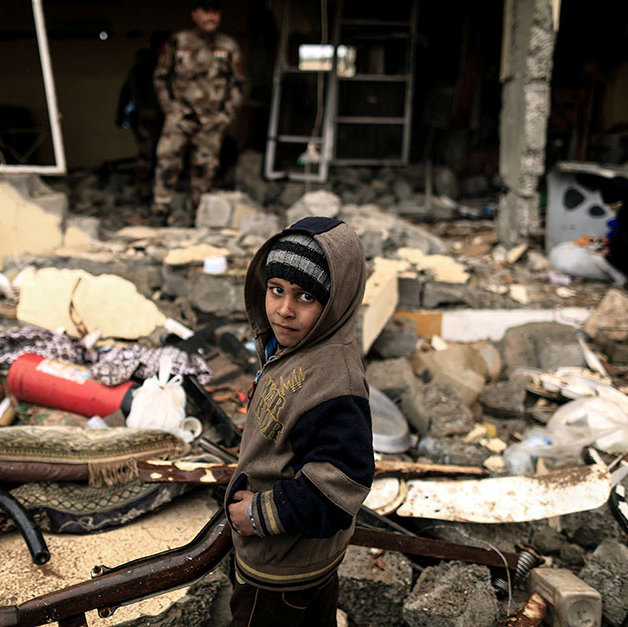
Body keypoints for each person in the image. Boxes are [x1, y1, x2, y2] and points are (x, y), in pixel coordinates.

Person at [225, 217, 374, 626]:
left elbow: (342, 485)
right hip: (295, 561)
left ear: (336, 302)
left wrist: (259, 514)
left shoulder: (332, 383)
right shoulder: (295, 349)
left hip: (282, 573)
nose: (285, 310)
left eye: (305, 297)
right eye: (276, 290)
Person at [152, 0, 245, 224]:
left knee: (205, 169)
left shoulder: (228, 46)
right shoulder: (178, 41)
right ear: (195, 14)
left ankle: (198, 215)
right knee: (167, 161)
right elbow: (160, 77)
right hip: (180, 116)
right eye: (205, 12)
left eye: (215, 12)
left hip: (211, 120)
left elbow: (238, 84)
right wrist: (170, 109)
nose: (210, 17)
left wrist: (226, 115)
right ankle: (160, 211)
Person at [117, 31, 169, 203]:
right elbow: (133, 87)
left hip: (159, 116)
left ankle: (154, 191)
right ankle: (144, 192)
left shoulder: (162, 64)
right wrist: (143, 108)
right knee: (146, 155)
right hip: (146, 117)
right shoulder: (145, 64)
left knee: (158, 155)